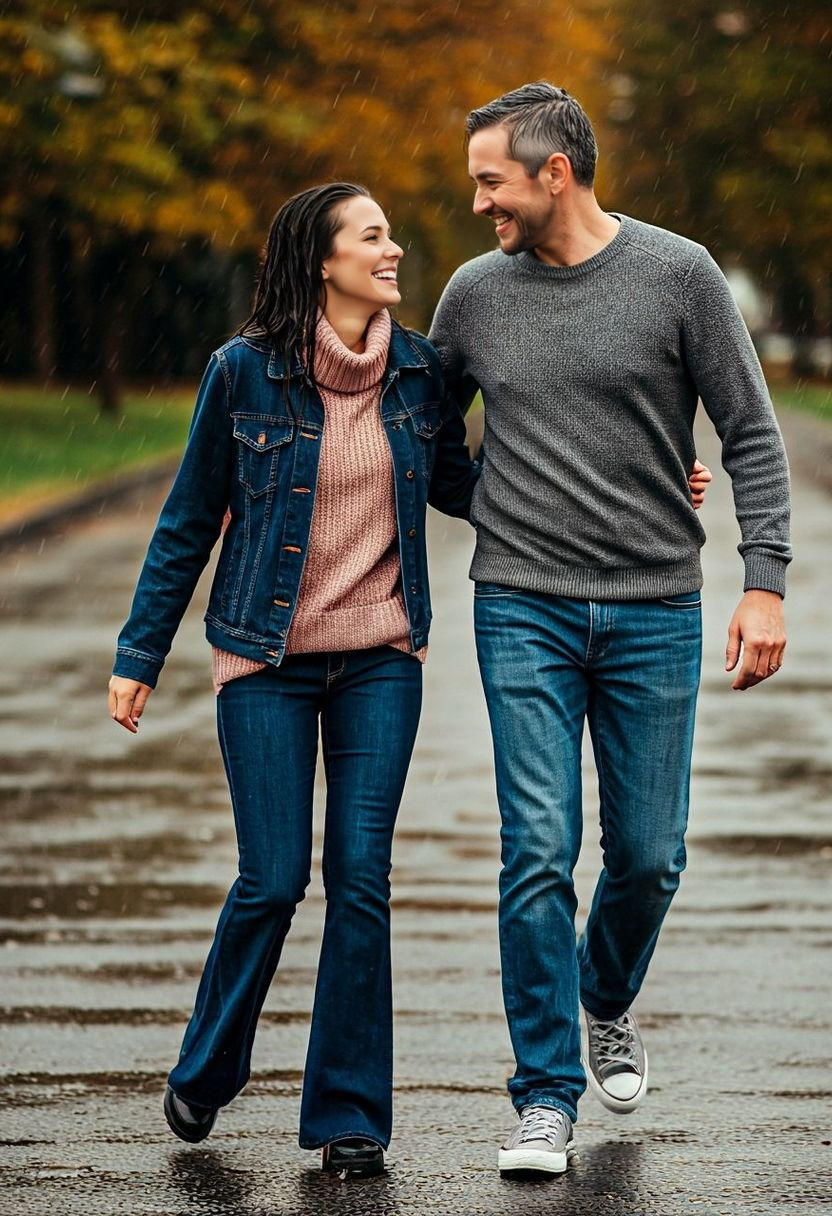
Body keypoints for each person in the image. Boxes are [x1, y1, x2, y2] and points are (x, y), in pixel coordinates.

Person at [428, 82, 790, 1179]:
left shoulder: (678, 275)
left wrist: (762, 580)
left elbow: (749, 432)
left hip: (653, 608)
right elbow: (424, 428)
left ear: (554, 172)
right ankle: (542, 1096)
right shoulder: (472, 294)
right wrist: (490, 497)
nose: (478, 198)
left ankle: (605, 996)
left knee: (645, 854)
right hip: (521, 605)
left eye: (492, 177)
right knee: (535, 849)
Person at [108, 182, 479, 1176]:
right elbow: (189, 518)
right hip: (263, 659)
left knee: (360, 875)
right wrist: (138, 655)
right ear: (322, 259)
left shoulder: (418, 373)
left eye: (390, 234)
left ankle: (349, 1115)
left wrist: (641, 477)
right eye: (373, 236)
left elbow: (466, 487)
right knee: (272, 879)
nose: (392, 249)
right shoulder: (243, 373)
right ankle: (207, 1069)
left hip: (380, 659)